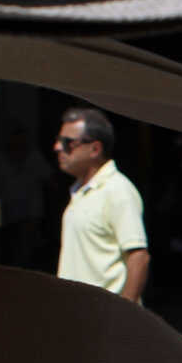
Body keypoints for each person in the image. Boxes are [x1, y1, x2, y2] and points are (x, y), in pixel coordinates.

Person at [51, 105, 147, 302]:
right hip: (77, 315)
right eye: (59, 141)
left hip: (104, 320)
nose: (58, 147)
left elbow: (139, 257)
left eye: (67, 142)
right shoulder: (79, 190)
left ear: (95, 149)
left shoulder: (117, 190)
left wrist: (124, 316)